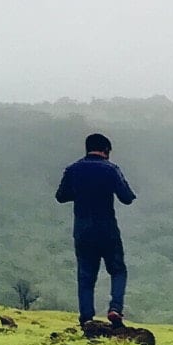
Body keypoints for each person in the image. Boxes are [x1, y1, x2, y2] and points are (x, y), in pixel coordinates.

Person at [56, 131, 135, 328]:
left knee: (86, 275)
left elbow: (61, 196)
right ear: (106, 150)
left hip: (82, 230)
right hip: (107, 228)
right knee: (118, 270)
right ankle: (115, 308)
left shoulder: (73, 170)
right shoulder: (111, 170)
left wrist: (81, 193)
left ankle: (86, 318)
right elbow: (126, 197)